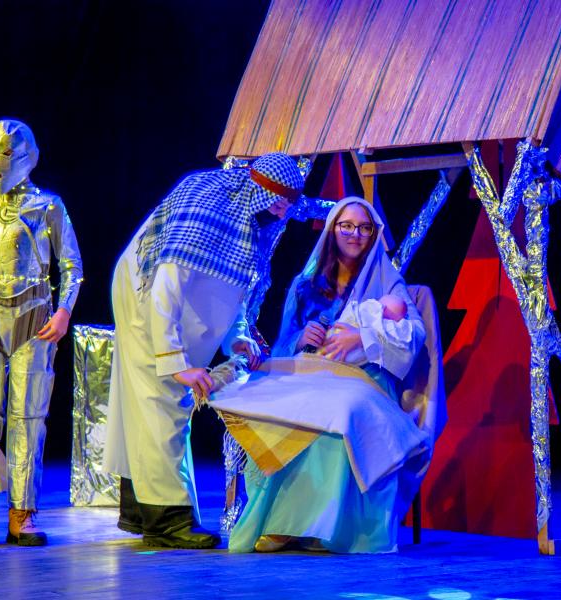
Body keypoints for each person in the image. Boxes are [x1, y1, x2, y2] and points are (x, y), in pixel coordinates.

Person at [103, 153, 305, 549]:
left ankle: (140, 509)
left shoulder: (253, 218)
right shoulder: (209, 208)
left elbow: (234, 282)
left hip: (177, 308)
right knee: (164, 399)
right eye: (279, 202)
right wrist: (174, 362)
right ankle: (168, 520)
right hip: (147, 300)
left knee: (146, 404)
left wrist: (238, 337)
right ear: (261, 192)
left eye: (289, 204)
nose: (283, 212)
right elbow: (166, 285)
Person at [211, 197, 428, 553]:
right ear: (332, 230)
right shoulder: (306, 284)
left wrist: (363, 337)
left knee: (343, 407)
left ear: (374, 234)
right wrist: (301, 338)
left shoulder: (387, 281)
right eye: (347, 226)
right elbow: (282, 348)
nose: (355, 234)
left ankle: (324, 528)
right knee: (288, 406)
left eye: (364, 228)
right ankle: (279, 523)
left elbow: (414, 334)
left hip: (364, 379)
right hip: (312, 372)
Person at [0, 119, 83, 549]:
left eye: (7, 153)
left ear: (27, 155)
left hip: (34, 317)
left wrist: (64, 311)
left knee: (28, 416)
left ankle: (22, 512)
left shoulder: (49, 205)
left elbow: (71, 265)